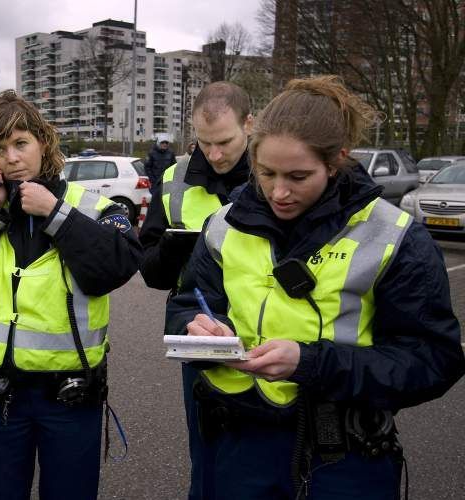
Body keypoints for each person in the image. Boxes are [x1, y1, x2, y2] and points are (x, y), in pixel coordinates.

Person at [166, 75, 465, 499]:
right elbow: (185, 304)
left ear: (337, 160)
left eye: (298, 176)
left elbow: (434, 360)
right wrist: (201, 329)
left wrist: (311, 363)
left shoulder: (396, 236)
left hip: (343, 460)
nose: (279, 192)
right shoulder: (223, 224)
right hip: (239, 450)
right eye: (266, 172)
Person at [0, 89, 141, 500]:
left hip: (69, 395)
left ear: (44, 143)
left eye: (21, 144)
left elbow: (116, 267)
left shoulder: (90, 206)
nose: (12, 158)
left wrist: (55, 213)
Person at [139, 81, 252, 500]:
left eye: (225, 142)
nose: (215, 155)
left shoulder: (276, 171)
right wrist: (175, 245)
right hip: (201, 329)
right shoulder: (173, 178)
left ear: (250, 125)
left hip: (270, 329)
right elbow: (150, 271)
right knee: (207, 458)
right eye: (204, 143)